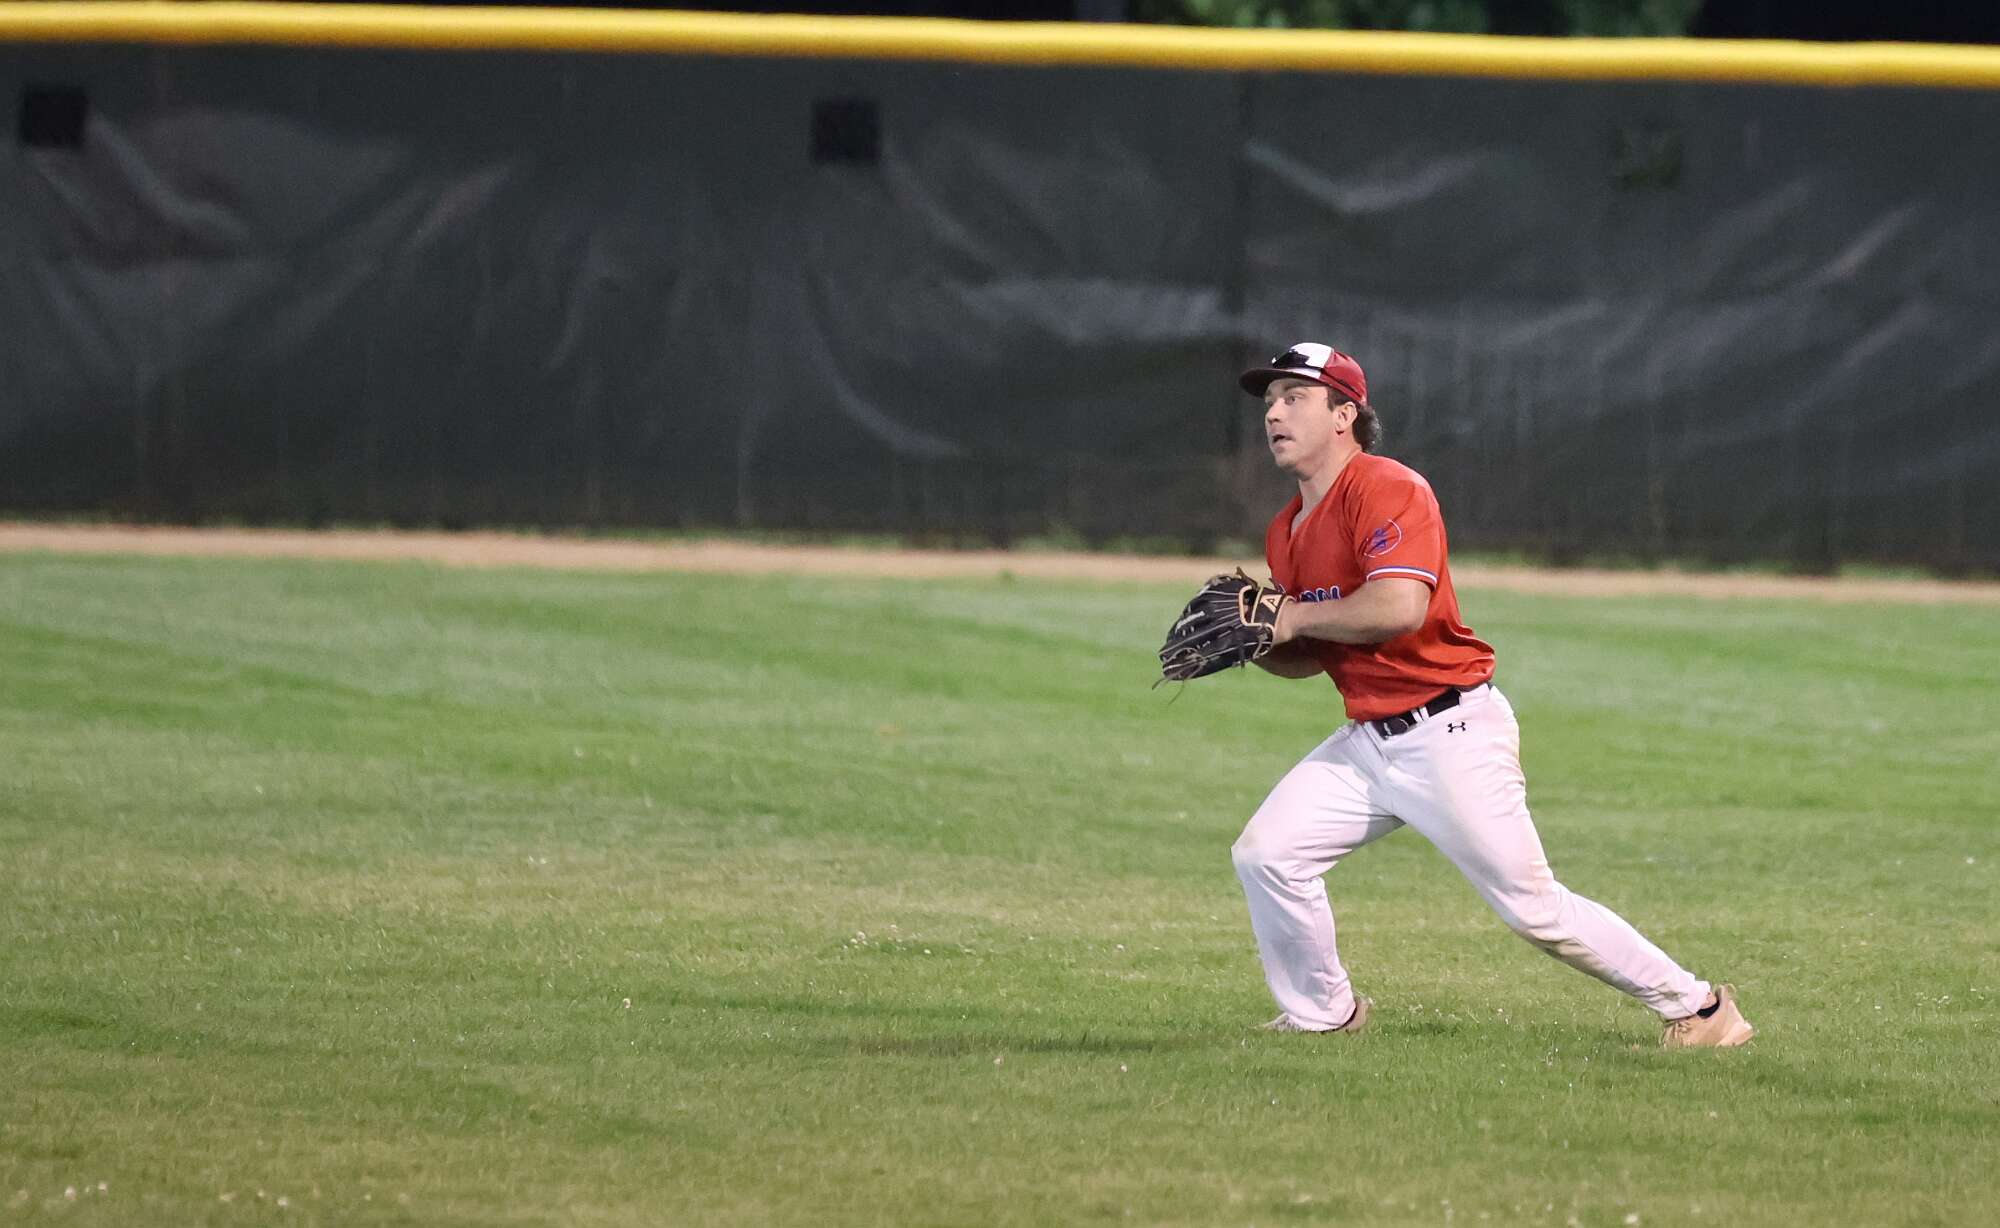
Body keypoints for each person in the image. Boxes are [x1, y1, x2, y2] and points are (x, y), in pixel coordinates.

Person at [1229, 342, 1753, 1048]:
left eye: (1294, 398)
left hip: (1450, 733)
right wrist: (1259, 644)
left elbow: (1398, 608)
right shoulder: (1287, 529)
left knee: (1533, 909)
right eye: (1270, 402)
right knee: (1268, 853)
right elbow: (1314, 653)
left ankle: (1702, 1008)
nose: (1274, 414)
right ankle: (1324, 1015)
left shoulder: (1387, 488)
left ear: (1344, 414)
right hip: (1369, 742)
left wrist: (1291, 617)